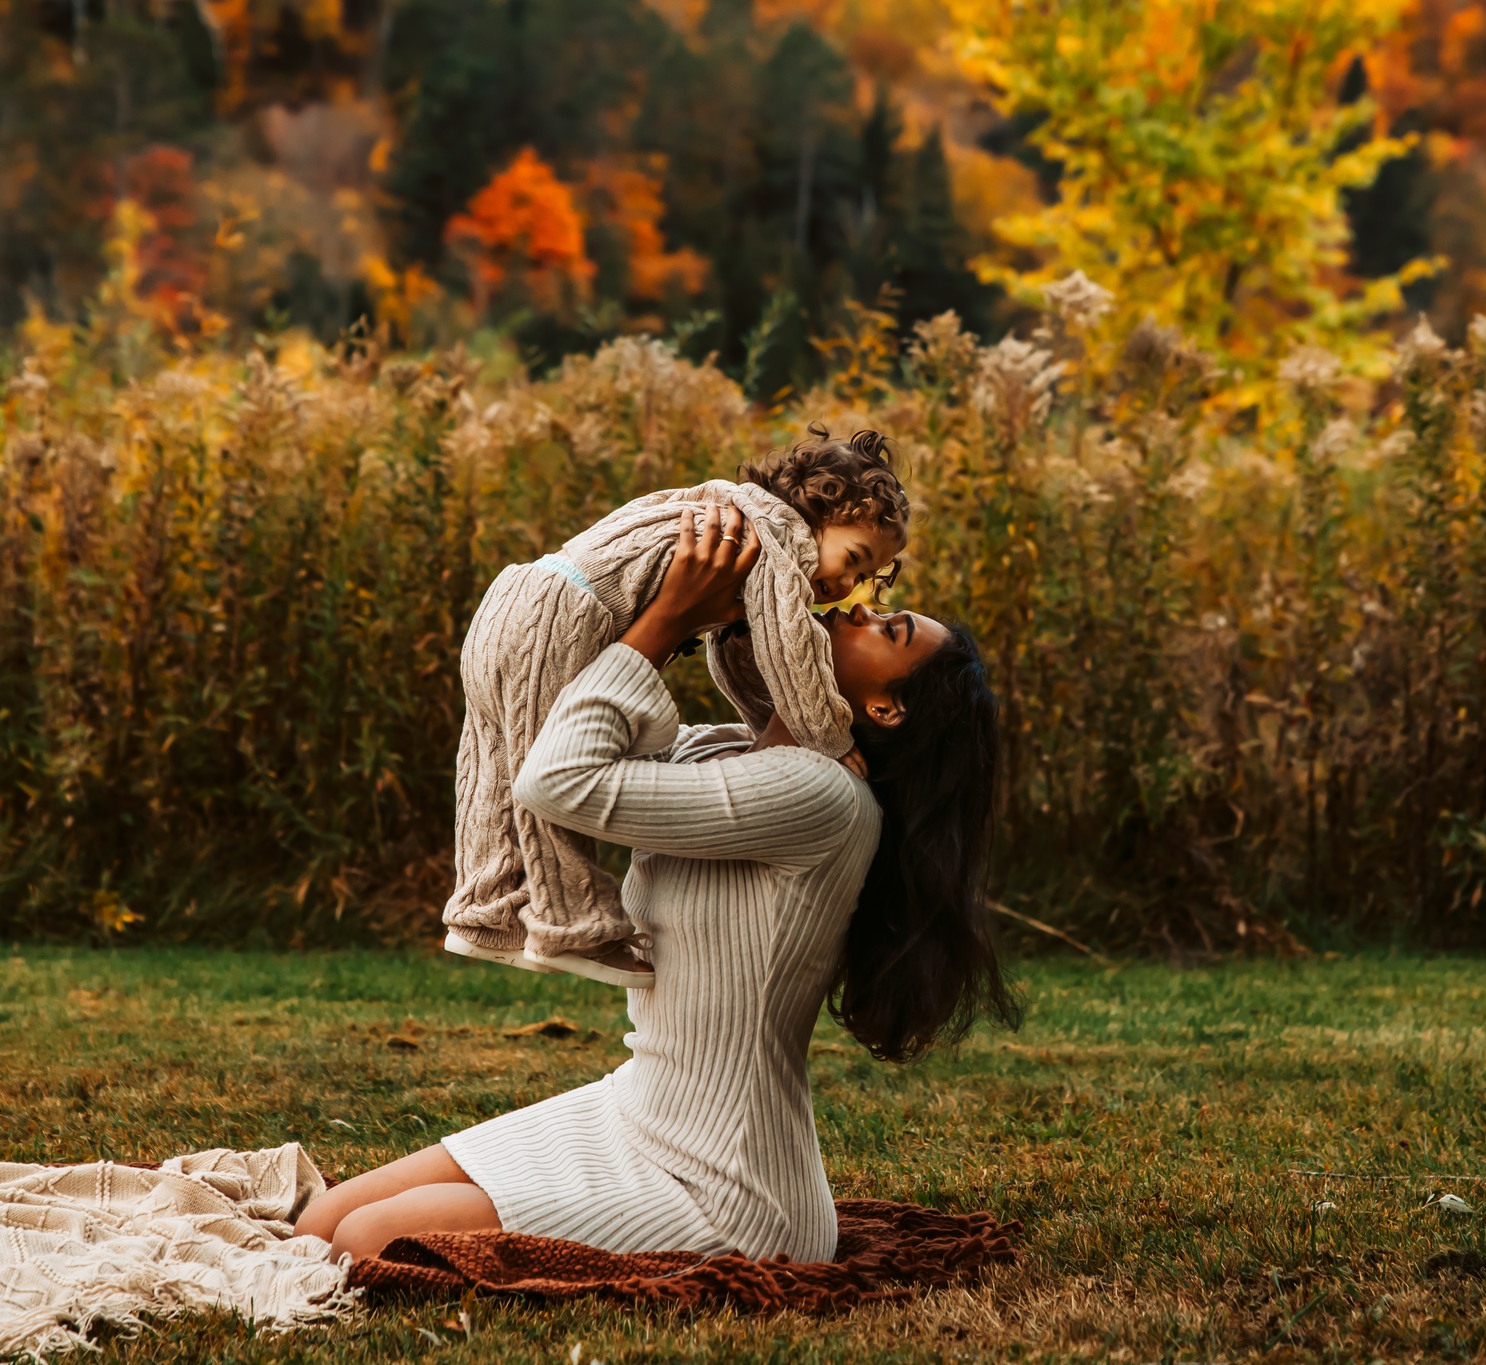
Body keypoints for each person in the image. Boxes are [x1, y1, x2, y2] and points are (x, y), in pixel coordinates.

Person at [297, 501, 1019, 1263]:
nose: (857, 607)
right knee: (322, 1221)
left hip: (729, 1187)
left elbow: (557, 780)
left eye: (887, 628)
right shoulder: (727, 751)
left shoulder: (822, 797)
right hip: (631, 1110)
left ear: (885, 708)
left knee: (366, 1239)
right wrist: (689, 610)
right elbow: (563, 737)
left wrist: (666, 618)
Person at [443, 426, 910, 989]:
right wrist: (829, 738)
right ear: (820, 511)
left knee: (494, 760)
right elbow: (790, 648)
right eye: (854, 559)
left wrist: (765, 730)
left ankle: (485, 911)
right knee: (539, 778)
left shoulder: (732, 512)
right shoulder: (779, 539)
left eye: (863, 577)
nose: (848, 586)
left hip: (513, 599)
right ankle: (572, 927)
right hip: (560, 619)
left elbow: (734, 651)